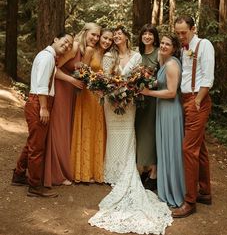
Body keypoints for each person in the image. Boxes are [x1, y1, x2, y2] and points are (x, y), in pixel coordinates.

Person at [89, 25, 172, 235]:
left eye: (119, 35)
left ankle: (128, 170)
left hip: (129, 104)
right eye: (114, 36)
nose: (116, 38)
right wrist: (113, 93)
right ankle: (113, 171)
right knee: (113, 136)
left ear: (126, 36)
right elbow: (106, 79)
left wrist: (126, 93)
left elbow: (136, 80)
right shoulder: (109, 56)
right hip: (111, 103)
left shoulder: (136, 56)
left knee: (128, 135)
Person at [11, 33, 74, 197]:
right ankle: (34, 186)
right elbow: (41, 86)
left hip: (39, 102)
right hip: (39, 102)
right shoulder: (47, 57)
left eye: (69, 45)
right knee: (37, 147)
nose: (67, 46)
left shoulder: (50, 57)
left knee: (33, 142)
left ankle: (18, 175)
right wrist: (44, 108)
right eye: (65, 42)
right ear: (55, 39)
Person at [172, 15, 215, 218]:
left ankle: (190, 201)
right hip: (186, 99)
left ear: (193, 29)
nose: (181, 36)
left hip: (197, 100)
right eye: (178, 33)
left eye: (184, 32)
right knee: (200, 148)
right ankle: (205, 192)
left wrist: (197, 101)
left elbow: (208, 76)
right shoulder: (183, 48)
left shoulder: (204, 45)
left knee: (188, 149)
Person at [141, 33, 185, 207]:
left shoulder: (172, 64)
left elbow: (172, 92)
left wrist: (148, 92)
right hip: (163, 110)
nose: (164, 46)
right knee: (164, 149)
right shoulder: (164, 62)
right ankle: (166, 186)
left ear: (174, 48)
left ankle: (174, 190)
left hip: (170, 111)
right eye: (163, 43)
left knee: (170, 149)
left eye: (168, 44)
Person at [71, 25, 113, 183]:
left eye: (109, 39)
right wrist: (95, 80)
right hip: (89, 95)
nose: (106, 41)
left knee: (98, 128)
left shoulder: (109, 55)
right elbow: (82, 72)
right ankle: (83, 172)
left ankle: (97, 171)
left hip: (101, 97)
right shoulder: (90, 51)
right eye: (104, 38)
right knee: (88, 128)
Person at [44, 39, 84, 187]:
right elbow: (54, 69)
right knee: (58, 130)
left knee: (65, 131)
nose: (96, 38)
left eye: (98, 36)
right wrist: (72, 80)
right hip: (61, 89)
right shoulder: (74, 46)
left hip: (69, 92)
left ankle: (60, 169)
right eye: (93, 34)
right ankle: (55, 174)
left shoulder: (83, 50)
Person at [135, 24, 160, 191]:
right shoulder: (137, 54)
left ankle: (154, 172)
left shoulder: (160, 52)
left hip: (154, 99)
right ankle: (143, 168)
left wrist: (152, 84)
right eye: (145, 33)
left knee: (150, 133)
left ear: (155, 37)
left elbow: (164, 75)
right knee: (139, 132)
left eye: (151, 34)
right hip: (138, 100)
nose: (147, 36)